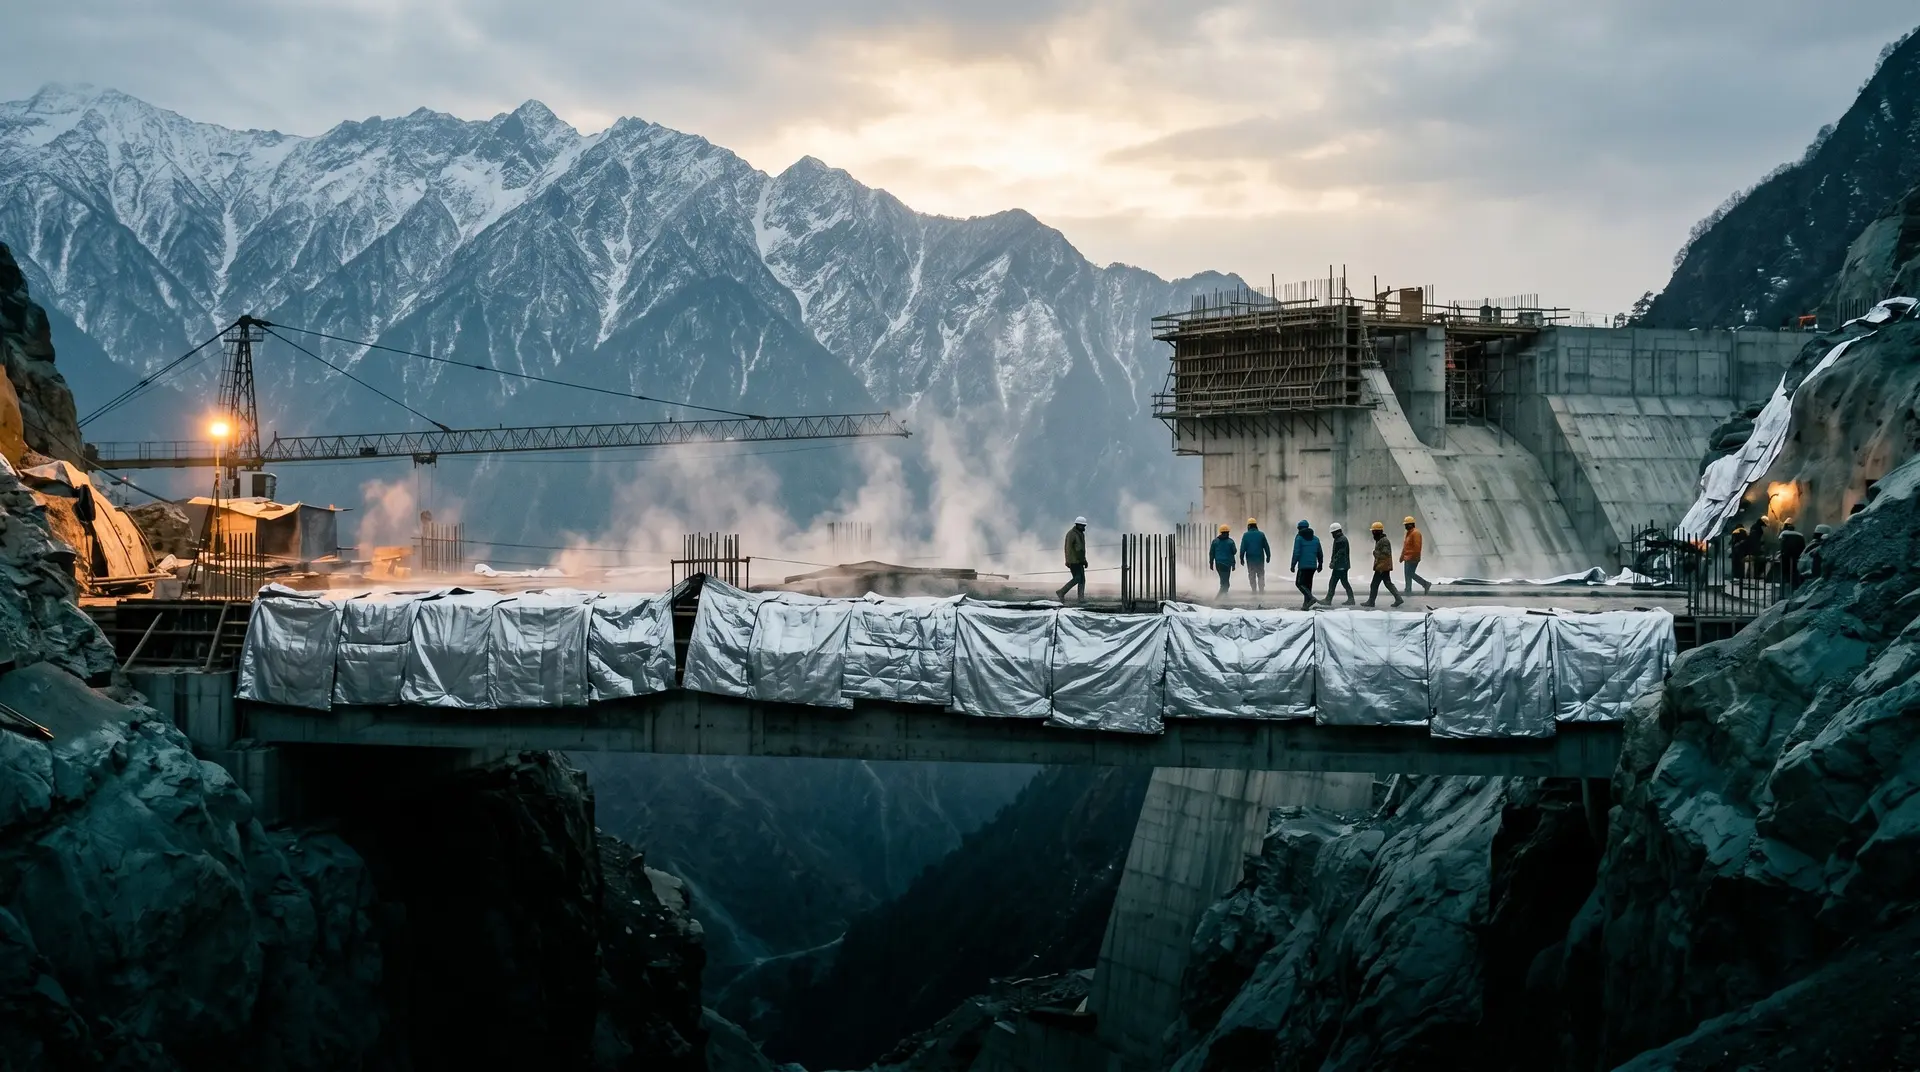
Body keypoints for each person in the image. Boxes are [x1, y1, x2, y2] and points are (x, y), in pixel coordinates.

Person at [1363, 521, 1404, 607]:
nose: (1372, 533)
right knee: (1388, 583)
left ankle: (1371, 602)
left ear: (1377, 531)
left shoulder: (1384, 541)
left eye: (1373, 531)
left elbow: (1386, 553)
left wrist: (1376, 553)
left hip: (1382, 567)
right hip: (1383, 566)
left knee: (1374, 584)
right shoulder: (1380, 540)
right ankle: (1398, 599)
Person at [1290, 519, 1324, 609]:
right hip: (1313, 566)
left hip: (1303, 566)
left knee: (1299, 583)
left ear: (1299, 528)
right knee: (1308, 585)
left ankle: (1311, 598)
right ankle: (1305, 605)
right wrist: (1320, 564)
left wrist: (1293, 565)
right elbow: (1320, 553)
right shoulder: (1316, 539)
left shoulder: (1299, 538)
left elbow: (1296, 552)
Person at [1056, 516, 1088, 601]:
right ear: (1078, 525)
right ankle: (1061, 592)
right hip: (1074, 561)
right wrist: (1068, 561)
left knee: (1082, 580)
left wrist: (1084, 560)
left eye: (1084, 526)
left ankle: (1081, 598)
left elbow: (1081, 550)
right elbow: (1068, 548)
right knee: (1077, 578)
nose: (1084, 527)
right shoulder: (1072, 534)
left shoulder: (1080, 534)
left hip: (1079, 560)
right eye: (1082, 526)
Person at [1400, 516, 1432, 594]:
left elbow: (1417, 547)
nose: (1405, 526)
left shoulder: (1416, 533)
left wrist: (1413, 557)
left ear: (1411, 524)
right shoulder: (1409, 533)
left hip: (1412, 558)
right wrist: (1402, 556)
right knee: (1407, 574)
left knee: (1410, 573)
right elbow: (1406, 546)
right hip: (1407, 557)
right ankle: (1408, 589)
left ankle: (1425, 584)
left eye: (1406, 525)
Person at [1324, 522, 1354, 604]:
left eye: (1332, 533)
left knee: (1333, 582)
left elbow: (1340, 553)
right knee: (1343, 582)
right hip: (1342, 565)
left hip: (1340, 565)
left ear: (1336, 532)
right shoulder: (1340, 539)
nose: (1332, 535)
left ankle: (1328, 600)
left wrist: (1333, 562)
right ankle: (1351, 599)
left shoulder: (1341, 540)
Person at [1240, 518, 1271, 593]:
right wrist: (1268, 556)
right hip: (1260, 557)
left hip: (1250, 558)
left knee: (1251, 574)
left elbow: (1243, 547)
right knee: (1260, 573)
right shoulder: (1261, 534)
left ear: (1249, 526)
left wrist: (1241, 558)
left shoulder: (1245, 535)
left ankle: (1254, 589)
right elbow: (1266, 546)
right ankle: (1261, 589)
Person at [1778, 519, 1807, 592]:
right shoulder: (1800, 535)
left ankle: (1784, 591)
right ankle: (1795, 589)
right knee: (1795, 573)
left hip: (1786, 558)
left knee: (1785, 574)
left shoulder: (1784, 534)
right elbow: (1803, 547)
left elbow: (1781, 544)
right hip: (1797, 558)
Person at [1210, 523, 1237, 595]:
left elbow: (1211, 553)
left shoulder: (1215, 541)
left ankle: (1224, 597)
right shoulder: (1230, 542)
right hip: (1227, 565)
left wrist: (1211, 563)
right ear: (1228, 532)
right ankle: (1218, 599)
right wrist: (1233, 565)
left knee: (1224, 582)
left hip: (1218, 564)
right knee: (1225, 584)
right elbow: (1234, 552)